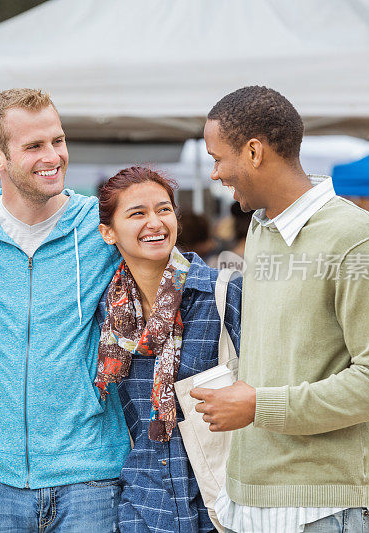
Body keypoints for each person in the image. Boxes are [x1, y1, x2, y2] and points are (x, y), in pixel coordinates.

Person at [192, 86, 369, 533]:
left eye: (218, 159)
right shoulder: (261, 231)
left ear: (254, 152)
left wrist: (259, 406)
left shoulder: (356, 238)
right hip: (252, 502)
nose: (215, 173)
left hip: (328, 511)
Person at [0, 88, 131, 531]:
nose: (53, 156)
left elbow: (174, 271)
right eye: (34, 146)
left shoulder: (102, 225)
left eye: (57, 141)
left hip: (92, 477)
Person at [95, 166, 241, 533]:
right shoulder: (108, 314)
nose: (155, 222)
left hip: (224, 505)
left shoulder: (223, 296)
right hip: (146, 508)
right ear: (108, 233)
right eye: (137, 213)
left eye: (164, 209)